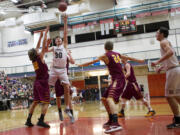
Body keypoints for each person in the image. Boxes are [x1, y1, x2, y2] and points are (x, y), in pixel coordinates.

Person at [78, 41, 144, 134]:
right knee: (104, 99)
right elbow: (128, 57)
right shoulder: (117, 54)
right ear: (112, 47)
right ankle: (110, 120)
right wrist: (140, 61)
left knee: (110, 99)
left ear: (105, 47)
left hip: (118, 79)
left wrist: (80, 65)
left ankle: (116, 123)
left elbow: (92, 62)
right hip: (116, 79)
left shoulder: (105, 55)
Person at [151, 27, 180, 129]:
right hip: (175, 69)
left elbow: (170, 53)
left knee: (169, 96)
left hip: (173, 71)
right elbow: (171, 58)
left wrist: (157, 62)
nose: (156, 34)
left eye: (157, 32)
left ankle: (177, 120)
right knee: (176, 95)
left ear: (162, 34)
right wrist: (162, 67)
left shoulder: (163, 42)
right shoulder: (166, 42)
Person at [47, 14, 74, 119]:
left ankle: (68, 109)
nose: (58, 41)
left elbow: (66, 33)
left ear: (62, 41)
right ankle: (56, 109)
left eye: (59, 40)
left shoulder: (65, 47)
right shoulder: (53, 48)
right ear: (55, 42)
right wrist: (45, 43)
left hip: (63, 72)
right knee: (54, 92)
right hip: (55, 71)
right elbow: (45, 50)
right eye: (56, 40)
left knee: (67, 89)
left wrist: (65, 21)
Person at [25, 27, 51, 128]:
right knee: (46, 102)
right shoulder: (40, 57)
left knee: (35, 102)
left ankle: (28, 120)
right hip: (42, 83)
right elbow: (42, 46)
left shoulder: (34, 59)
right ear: (36, 53)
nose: (38, 50)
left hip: (36, 83)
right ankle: (41, 120)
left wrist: (40, 37)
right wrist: (45, 33)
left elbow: (37, 47)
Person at [54, 50, 75, 123]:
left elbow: (73, 62)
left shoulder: (67, 56)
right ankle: (60, 112)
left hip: (65, 77)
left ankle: (72, 115)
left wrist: (70, 54)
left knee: (68, 95)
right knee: (58, 96)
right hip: (57, 78)